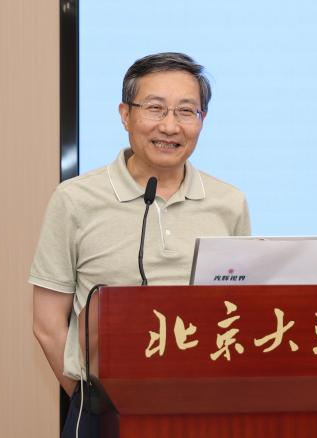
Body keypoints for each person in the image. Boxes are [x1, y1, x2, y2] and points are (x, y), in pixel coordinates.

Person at [30, 52, 250, 437]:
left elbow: (242, 309)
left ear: (202, 120)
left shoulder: (229, 203)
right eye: (155, 108)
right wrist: (95, 401)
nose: (170, 126)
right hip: (104, 411)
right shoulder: (75, 200)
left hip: (207, 410)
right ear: (125, 115)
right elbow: (48, 323)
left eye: (186, 111)